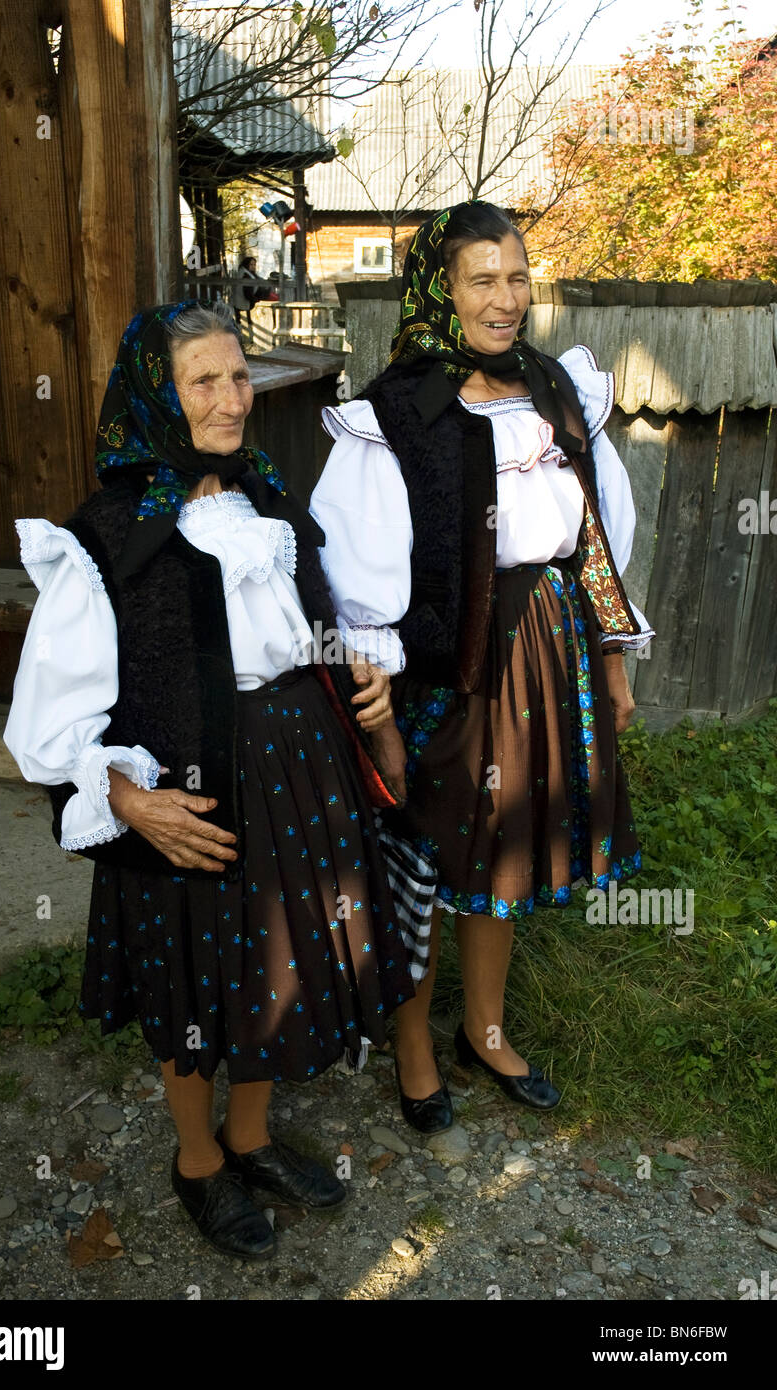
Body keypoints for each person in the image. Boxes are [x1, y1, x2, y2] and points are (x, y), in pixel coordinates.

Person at [3, 301, 414, 1259]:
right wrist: (123, 796)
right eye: (204, 381)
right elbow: (48, 718)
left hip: (301, 764)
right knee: (195, 976)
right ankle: (196, 1161)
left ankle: (251, 1136)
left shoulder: (271, 501)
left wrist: (359, 683)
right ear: (156, 393)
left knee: (279, 959)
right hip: (187, 784)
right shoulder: (106, 539)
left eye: (238, 377)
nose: (231, 400)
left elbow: (311, 623)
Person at [309, 200, 655, 1134]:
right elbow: (354, 577)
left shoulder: (553, 389)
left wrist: (614, 660)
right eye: (482, 280)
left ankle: (487, 1030)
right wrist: (376, 712)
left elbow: (592, 538)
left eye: (517, 277)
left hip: (550, 649)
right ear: (439, 288)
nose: (505, 300)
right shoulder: (398, 414)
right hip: (446, 668)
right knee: (430, 855)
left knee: (505, 851)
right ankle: (414, 1047)